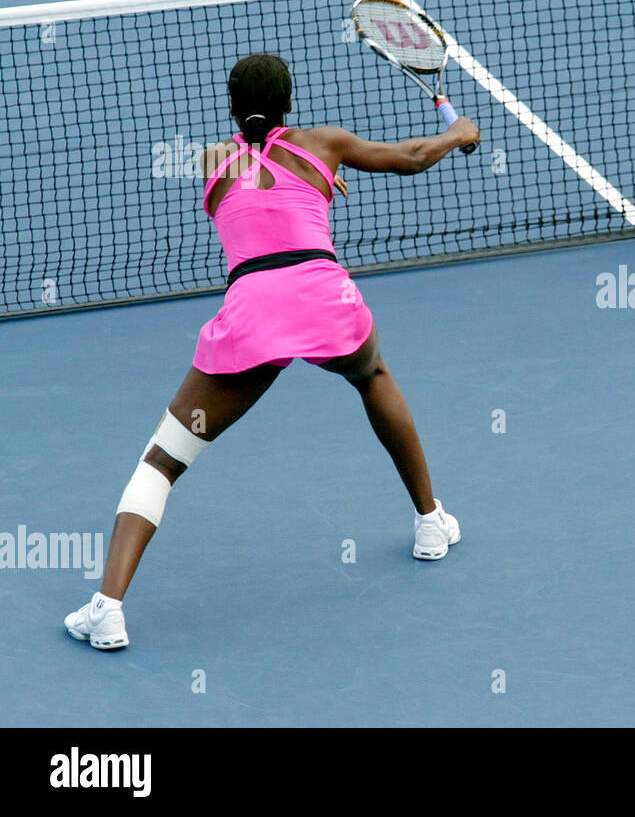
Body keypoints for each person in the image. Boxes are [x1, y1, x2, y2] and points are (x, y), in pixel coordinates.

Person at [65, 53, 480, 649]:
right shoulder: (325, 144)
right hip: (324, 299)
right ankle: (430, 522)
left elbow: (258, 190)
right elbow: (411, 159)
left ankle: (108, 607)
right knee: (372, 375)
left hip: (252, 317)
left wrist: (306, 175)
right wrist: (458, 133)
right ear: (289, 102)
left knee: (162, 461)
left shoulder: (211, 161)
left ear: (233, 107)